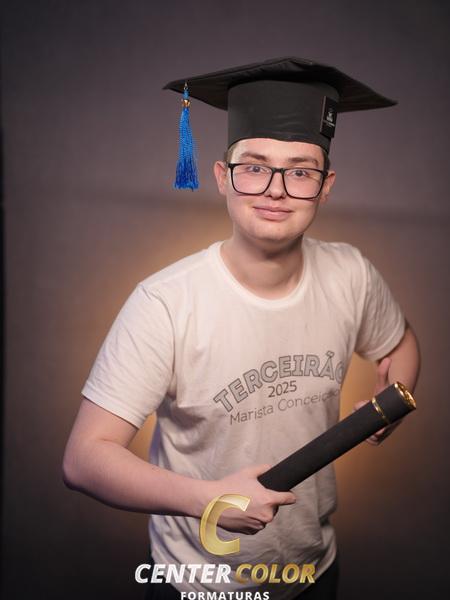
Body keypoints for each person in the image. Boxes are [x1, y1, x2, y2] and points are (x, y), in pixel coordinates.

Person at [62, 57, 420, 600]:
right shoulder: (166, 303)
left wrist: (391, 403)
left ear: (325, 186)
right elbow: (85, 457)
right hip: (197, 584)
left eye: (300, 171)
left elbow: (401, 344)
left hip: (313, 573)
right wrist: (209, 500)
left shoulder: (351, 275)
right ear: (221, 178)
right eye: (254, 167)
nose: (276, 190)